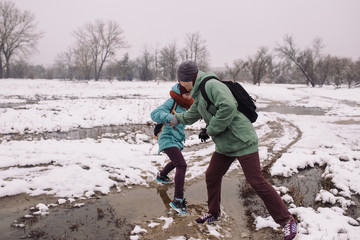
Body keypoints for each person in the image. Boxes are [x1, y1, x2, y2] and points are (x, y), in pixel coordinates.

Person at [170, 61, 298, 240]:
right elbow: (193, 114)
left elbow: (228, 107)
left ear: (189, 78)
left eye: (181, 81)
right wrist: (176, 119)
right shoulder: (198, 93)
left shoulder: (211, 85)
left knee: (256, 181)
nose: (180, 85)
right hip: (225, 145)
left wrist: (210, 129)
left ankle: (287, 220)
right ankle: (213, 213)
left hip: (242, 139)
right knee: (212, 175)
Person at [150, 82, 194, 215]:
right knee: (182, 165)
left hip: (177, 139)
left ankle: (162, 176)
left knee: (177, 162)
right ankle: (178, 200)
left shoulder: (189, 105)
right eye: (185, 94)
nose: (187, 96)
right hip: (167, 137)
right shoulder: (172, 102)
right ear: (180, 93)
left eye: (190, 93)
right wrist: (171, 117)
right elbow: (155, 114)